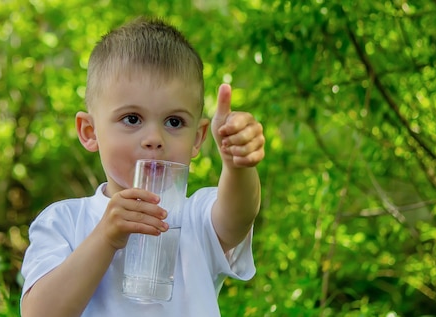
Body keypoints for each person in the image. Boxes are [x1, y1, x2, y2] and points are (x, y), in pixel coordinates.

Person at [20, 16, 265, 317]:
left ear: (198, 138)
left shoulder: (197, 218)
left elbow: (239, 215)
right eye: (132, 118)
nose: (154, 138)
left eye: (174, 122)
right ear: (89, 131)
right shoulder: (65, 222)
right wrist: (106, 237)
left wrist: (238, 164)